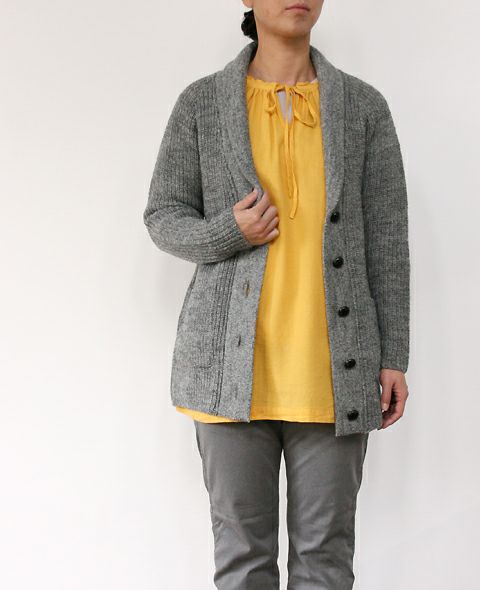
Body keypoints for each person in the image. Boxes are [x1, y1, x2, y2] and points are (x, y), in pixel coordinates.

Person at [143, 1, 410, 587]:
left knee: (326, 560)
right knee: (242, 558)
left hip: (333, 373)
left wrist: (393, 355)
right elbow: (163, 215)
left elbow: (387, 238)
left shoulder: (363, 107)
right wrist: (229, 231)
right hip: (226, 374)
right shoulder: (202, 103)